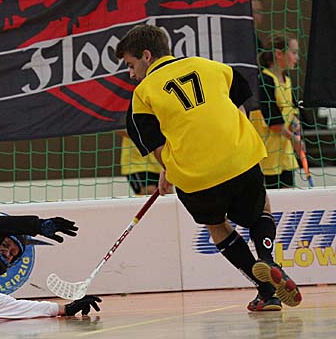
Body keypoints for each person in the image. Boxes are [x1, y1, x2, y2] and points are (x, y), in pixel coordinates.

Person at [114, 24, 302, 311]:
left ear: (147, 56)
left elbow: (159, 149)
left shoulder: (142, 95)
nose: (131, 73)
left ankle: (266, 292)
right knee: (260, 208)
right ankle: (268, 259)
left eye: (130, 64)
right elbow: (239, 106)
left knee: (216, 225)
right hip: (240, 159)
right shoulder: (212, 66)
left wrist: (169, 169)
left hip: (196, 178)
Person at [251, 35, 303, 189]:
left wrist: (295, 123)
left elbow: (291, 110)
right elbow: (273, 122)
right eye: (294, 52)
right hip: (267, 154)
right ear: (279, 54)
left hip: (284, 153)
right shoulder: (264, 80)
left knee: (289, 196)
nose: (297, 57)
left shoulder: (287, 80)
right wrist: (295, 140)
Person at [119, 105, 162, 195]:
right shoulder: (128, 105)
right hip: (136, 164)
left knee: (167, 194)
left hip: (158, 163)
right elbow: (117, 127)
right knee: (150, 192)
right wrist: (141, 134)